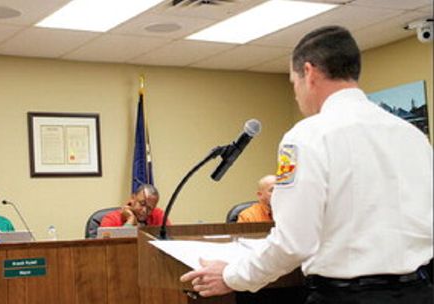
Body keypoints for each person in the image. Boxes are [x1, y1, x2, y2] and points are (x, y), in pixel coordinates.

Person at [180, 25, 433, 304]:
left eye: (293, 82)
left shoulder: (307, 136)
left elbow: (293, 243)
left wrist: (232, 276)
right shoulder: (412, 136)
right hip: (419, 291)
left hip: (345, 297)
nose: (296, 93)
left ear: (309, 73)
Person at [100, 184, 169, 227]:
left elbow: (170, 239)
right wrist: (130, 220)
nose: (144, 210)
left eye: (149, 208)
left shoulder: (158, 215)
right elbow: (108, 246)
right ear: (133, 198)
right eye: (142, 204)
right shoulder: (111, 219)